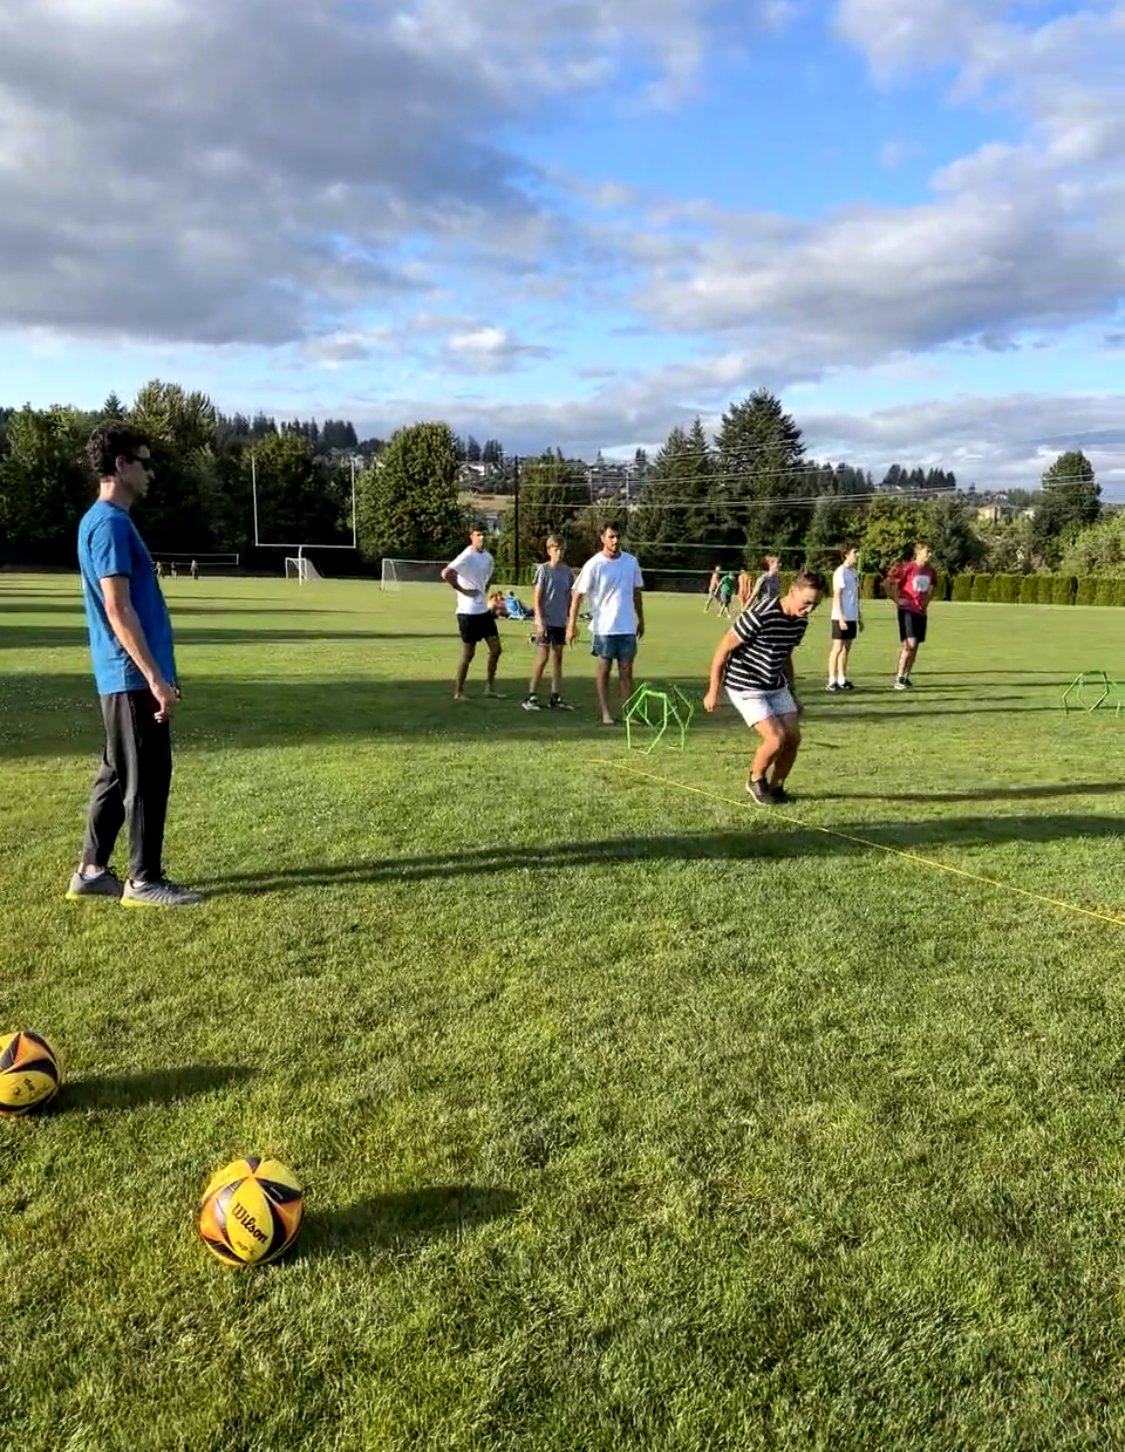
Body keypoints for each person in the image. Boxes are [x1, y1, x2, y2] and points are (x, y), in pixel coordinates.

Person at [66, 425, 202, 907]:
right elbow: (117, 607)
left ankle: (90, 871)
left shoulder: (104, 521)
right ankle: (144, 881)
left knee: (118, 772)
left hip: (125, 674)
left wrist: (163, 672)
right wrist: (152, 677)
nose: (149, 471)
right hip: (128, 675)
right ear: (121, 465)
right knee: (147, 774)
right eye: (143, 461)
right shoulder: (110, 524)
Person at [703, 570, 826, 805]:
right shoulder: (760, 614)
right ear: (792, 592)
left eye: (815, 605)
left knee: (793, 738)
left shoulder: (800, 621)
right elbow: (723, 650)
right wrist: (713, 690)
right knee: (776, 739)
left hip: (775, 684)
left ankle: (777, 786)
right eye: (806, 602)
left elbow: (786, 654)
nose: (809, 609)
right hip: (745, 685)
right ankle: (756, 779)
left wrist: (792, 692)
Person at [567, 523, 644, 726]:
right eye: (611, 537)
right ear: (602, 538)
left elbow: (636, 592)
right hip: (604, 628)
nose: (615, 541)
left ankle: (629, 713)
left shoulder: (631, 562)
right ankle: (605, 713)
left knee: (627, 671)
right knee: (604, 669)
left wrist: (641, 619)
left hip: (626, 626)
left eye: (617, 536)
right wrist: (571, 624)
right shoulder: (594, 565)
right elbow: (577, 596)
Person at [442, 526, 503, 701]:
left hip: (483, 611)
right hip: (467, 613)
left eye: (484, 534)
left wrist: (483, 591)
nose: (482, 537)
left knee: (496, 649)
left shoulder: (488, 557)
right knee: (469, 654)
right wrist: (463, 590)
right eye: (478, 534)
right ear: (471, 537)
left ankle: (489, 688)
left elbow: (488, 577)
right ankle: (458, 692)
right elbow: (446, 573)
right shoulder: (467, 555)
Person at [523, 535, 575, 712]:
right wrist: (539, 621)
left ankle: (555, 696)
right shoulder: (543, 570)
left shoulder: (567, 573)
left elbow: (569, 598)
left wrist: (571, 622)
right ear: (549, 551)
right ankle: (531, 695)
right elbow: (537, 599)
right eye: (555, 549)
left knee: (558, 658)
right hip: (546, 622)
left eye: (561, 550)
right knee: (543, 657)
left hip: (560, 621)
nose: (559, 553)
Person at [886, 542, 937, 690]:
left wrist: (928, 600)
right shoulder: (908, 568)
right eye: (927, 551)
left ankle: (906, 676)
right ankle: (898, 677)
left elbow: (933, 586)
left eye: (930, 551)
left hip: (921, 612)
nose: (929, 554)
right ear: (919, 552)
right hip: (907, 610)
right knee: (910, 644)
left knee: (916, 646)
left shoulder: (930, 571)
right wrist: (897, 600)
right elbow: (888, 584)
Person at [826, 543, 862, 692]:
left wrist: (859, 617)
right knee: (837, 647)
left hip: (852, 616)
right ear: (846, 554)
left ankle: (842, 679)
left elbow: (855, 597)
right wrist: (841, 618)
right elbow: (837, 597)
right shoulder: (840, 572)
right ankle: (831, 680)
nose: (857, 555)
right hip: (840, 616)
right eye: (855, 552)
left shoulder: (853, 573)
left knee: (846, 648)